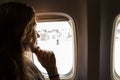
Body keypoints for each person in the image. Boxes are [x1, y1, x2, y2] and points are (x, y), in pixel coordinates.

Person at [0, 2, 60, 80]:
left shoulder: (25, 62)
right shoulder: (10, 72)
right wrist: (53, 72)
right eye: (34, 28)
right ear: (23, 33)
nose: (38, 35)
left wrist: (51, 70)